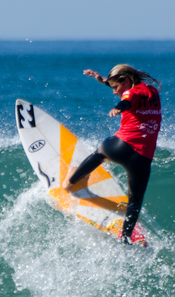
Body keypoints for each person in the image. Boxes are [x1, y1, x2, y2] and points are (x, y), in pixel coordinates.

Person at [62, 64, 162, 243]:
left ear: (126, 80)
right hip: (142, 158)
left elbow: (127, 99)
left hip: (120, 147)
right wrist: (103, 81)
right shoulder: (151, 91)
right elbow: (132, 93)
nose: (114, 92)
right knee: (135, 201)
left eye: (115, 87)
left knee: (99, 153)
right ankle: (126, 238)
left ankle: (69, 183)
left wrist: (119, 107)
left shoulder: (129, 94)